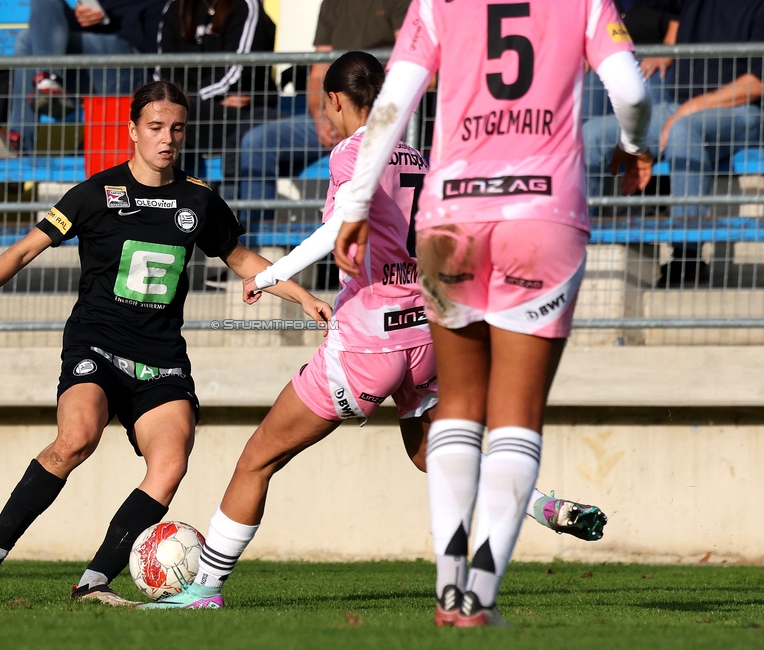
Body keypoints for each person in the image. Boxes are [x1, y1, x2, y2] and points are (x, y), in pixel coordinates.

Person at [140, 52, 609, 611]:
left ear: (335, 100)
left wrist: (270, 273)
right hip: (427, 335)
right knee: (430, 453)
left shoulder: (352, 151)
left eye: (327, 104)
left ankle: (204, 591)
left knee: (259, 457)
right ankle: (543, 506)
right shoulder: (417, 156)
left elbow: (340, 224)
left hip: (369, 340)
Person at [0, 80, 332, 605]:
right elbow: (24, 250)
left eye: (177, 129)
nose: (167, 139)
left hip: (162, 360)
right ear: (132, 130)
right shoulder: (97, 194)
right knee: (76, 438)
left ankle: (94, 581)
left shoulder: (199, 199)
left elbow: (242, 260)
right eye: (155, 128)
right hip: (95, 347)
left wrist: (301, 295)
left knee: (170, 464)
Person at [334, 0, 652, 627]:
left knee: (456, 405)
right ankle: (478, 595)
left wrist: (357, 201)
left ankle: (449, 586)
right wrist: (634, 144)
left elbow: (392, 104)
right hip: (542, 217)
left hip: (452, 216)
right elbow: (630, 89)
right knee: (516, 415)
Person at [584, 0, 764, 286]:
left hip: (741, 113)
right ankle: (578, 237)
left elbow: (756, 84)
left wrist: (690, 108)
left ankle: (686, 255)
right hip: (679, 109)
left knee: (683, 130)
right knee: (593, 134)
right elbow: (662, 15)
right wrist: (666, 53)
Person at [237, 0, 410, 223]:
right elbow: (318, 72)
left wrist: (356, 124)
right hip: (334, 115)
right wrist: (323, 118)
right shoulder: (332, 4)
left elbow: (407, 65)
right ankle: (255, 242)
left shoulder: (400, 3)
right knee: (256, 142)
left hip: (379, 120)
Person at [6, 0, 163, 154]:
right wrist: (84, 17)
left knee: (26, 40)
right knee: (28, 36)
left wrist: (103, 21)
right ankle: (48, 83)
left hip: (133, 62)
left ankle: (22, 138)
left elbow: (155, 32)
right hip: (96, 59)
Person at [156, 0, 280, 179]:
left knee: (176, 118)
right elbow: (164, 71)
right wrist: (192, 99)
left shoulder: (245, 5)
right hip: (194, 110)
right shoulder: (175, 6)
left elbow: (235, 70)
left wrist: (187, 99)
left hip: (245, 113)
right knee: (161, 120)